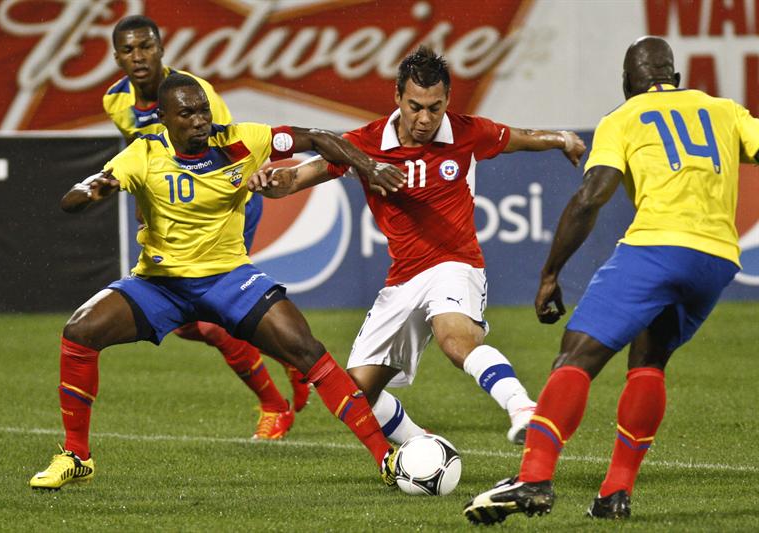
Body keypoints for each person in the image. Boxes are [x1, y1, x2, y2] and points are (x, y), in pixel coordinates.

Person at [29, 72, 407, 490]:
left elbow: (316, 137)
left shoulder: (240, 140)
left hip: (229, 278)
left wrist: (368, 165)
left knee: (306, 348)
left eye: (203, 110)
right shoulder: (145, 152)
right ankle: (76, 456)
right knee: (80, 331)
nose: (199, 121)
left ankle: (386, 457)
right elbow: (77, 196)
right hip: (160, 284)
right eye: (186, 113)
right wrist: (93, 188)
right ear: (165, 119)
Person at [463, 36, 759, 524]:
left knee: (576, 354)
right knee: (649, 359)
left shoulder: (623, 117)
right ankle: (614, 494)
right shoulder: (723, 109)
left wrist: (549, 275)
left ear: (628, 85)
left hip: (657, 247)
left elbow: (590, 197)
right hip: (717, 260)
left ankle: (533, 479)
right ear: (676, 78)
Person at [248, 46, 586, 450]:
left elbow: (521, 138)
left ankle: (523, 408)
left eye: (435, 107)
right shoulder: (365, 143)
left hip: (455, 265)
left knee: (455, 339)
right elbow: (299, 178)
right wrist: (273, 182)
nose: (425, 119)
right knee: (354, 395)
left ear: (446, 102)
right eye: (415, 107)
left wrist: (561, 139)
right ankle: (424, 447)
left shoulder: (466, 132)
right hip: (402, 279)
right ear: (397, 98)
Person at [104, 14, 309, 440]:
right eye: (128, 49)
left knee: (210, 318)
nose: (138, 57)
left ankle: (274, 404)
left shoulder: (197, 93)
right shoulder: (115, 101)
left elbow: (227, 148)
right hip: (175, 214)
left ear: (162, 48)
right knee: (191, 324)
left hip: (223, 207)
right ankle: (286, 356)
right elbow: (141, 151)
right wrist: (148, 202)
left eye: (146, 46)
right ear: (116, 56)